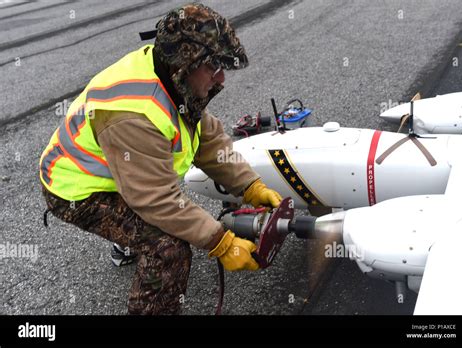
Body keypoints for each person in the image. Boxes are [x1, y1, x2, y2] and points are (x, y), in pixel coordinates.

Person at [39, 2, 282, 315]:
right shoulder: (132, 113)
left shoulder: (172, 76)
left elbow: (207, 139)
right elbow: (156, 200)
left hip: (124, 173)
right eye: (214, 67)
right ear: (185, 62)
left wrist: (249, 185)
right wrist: (220, 243)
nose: (221, 79)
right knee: (168, 247)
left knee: (154, 219)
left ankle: (127, 237)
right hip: (74, 189)